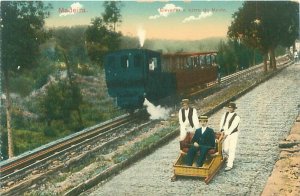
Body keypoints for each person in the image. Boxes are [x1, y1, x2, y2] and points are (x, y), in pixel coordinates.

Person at [219, 102, 241, 171]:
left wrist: (226, 134)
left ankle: (230, 164)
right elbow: (222, 123)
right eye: (228, 107)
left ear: (234, 108)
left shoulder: (236, 117)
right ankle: (231, 157)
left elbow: (232, 127)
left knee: (232, 149)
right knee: (225, 149)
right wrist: (221, 130)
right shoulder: (225, 114)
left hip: (233, 134)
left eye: (231, 107)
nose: (229, 108)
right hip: (225, 133)